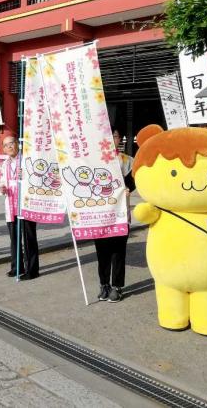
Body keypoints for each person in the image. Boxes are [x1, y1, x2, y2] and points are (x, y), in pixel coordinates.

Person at [95, 128, 136, 303]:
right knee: (101, 252)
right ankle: (104, 284)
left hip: (120, 213)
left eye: (115, 135)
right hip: (99, 215)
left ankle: (117, 286)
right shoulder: (94, 160)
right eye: (108, 136)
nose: (112, 139)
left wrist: (128, 189)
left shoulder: (127, 161)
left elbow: (133, 180)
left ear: (120, 139)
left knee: (118, 252)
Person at [0, 135, 39, 280]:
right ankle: (17, 266)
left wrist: (27, 176)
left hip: (25, 203)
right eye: (6, 145)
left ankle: (32, 269)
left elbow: (36, 179)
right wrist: (1, 188)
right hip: (11, 204)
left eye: (11, 143)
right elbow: (1, 182)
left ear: (17, 144)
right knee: (14, 238)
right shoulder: (4, 164)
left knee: (29, 238)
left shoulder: (26, 160)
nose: (9, 147)